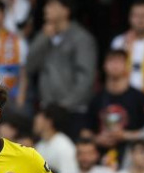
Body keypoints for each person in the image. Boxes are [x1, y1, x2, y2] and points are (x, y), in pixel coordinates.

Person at [25, 0, 97, 136]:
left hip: (73, 111)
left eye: (51, 5)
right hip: (47, 110)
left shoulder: (81, 38)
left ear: (66, 10)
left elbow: (86, 78)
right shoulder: (44, 36)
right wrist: (43, 38)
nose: (46, 9)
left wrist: (65, 105)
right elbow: (30, 66)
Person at [86, 49, 144, 167]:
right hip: (100, 159)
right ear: (104, 66)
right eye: (111, 61)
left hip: (130, 159)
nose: (115, 65)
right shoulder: (96, 98)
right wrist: (97, 139)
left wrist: (124, 135)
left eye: (119, 62)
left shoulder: (139, 98)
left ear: (127, 66)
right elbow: (86, 130)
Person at [34, 105, 79, 173]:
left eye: (39, 118)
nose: (35, 120)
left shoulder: (64, 146)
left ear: (48, 122)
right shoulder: (40, 145)